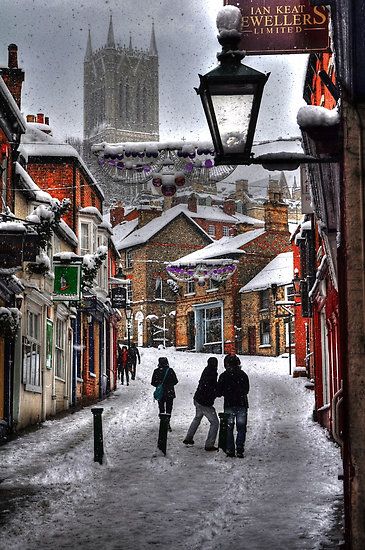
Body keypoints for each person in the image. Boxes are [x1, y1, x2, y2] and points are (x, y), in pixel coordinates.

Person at [183, 357, 219, 451]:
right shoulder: (212, 373)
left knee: (197, 418)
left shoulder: (206, 370)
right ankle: (209, 444)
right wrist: (217, 392)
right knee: (215, 422)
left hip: (198, 399)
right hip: (204, 402)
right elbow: (211, 387)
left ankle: (188, 438)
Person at [217, 354, 249, 458]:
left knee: (229, 428)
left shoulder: (224, 376)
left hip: (229, 404)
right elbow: (246, 390)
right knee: (241, 428)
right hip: (241, 404)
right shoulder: (243, 375)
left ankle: (230, 449)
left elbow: (219, 391)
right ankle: (239, 449)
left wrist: (227, 392)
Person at [151, 357, 178, 429]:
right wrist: (169, 385)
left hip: (161, 393)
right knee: (169, 408)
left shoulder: (156, 371)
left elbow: (153, 382)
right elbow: (175, 381)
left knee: (161, 408)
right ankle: (167, 421)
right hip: (170, 392)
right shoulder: (170, 371)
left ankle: (162, 423)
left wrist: (159, 385)